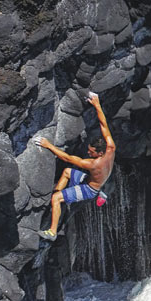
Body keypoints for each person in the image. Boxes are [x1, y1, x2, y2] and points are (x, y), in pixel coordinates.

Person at [32, 91, 116, 240]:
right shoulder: (110, 147)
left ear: (99, 153)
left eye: (91, 152)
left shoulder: (92, 164)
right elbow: (104, 124)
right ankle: (62, 198)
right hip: (98, 180)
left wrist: (47, 145)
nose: (88, 153)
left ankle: (52, 232)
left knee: (56, 198)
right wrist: (97, 104)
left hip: (89, 190)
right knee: (67, 172)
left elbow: (66, 157)